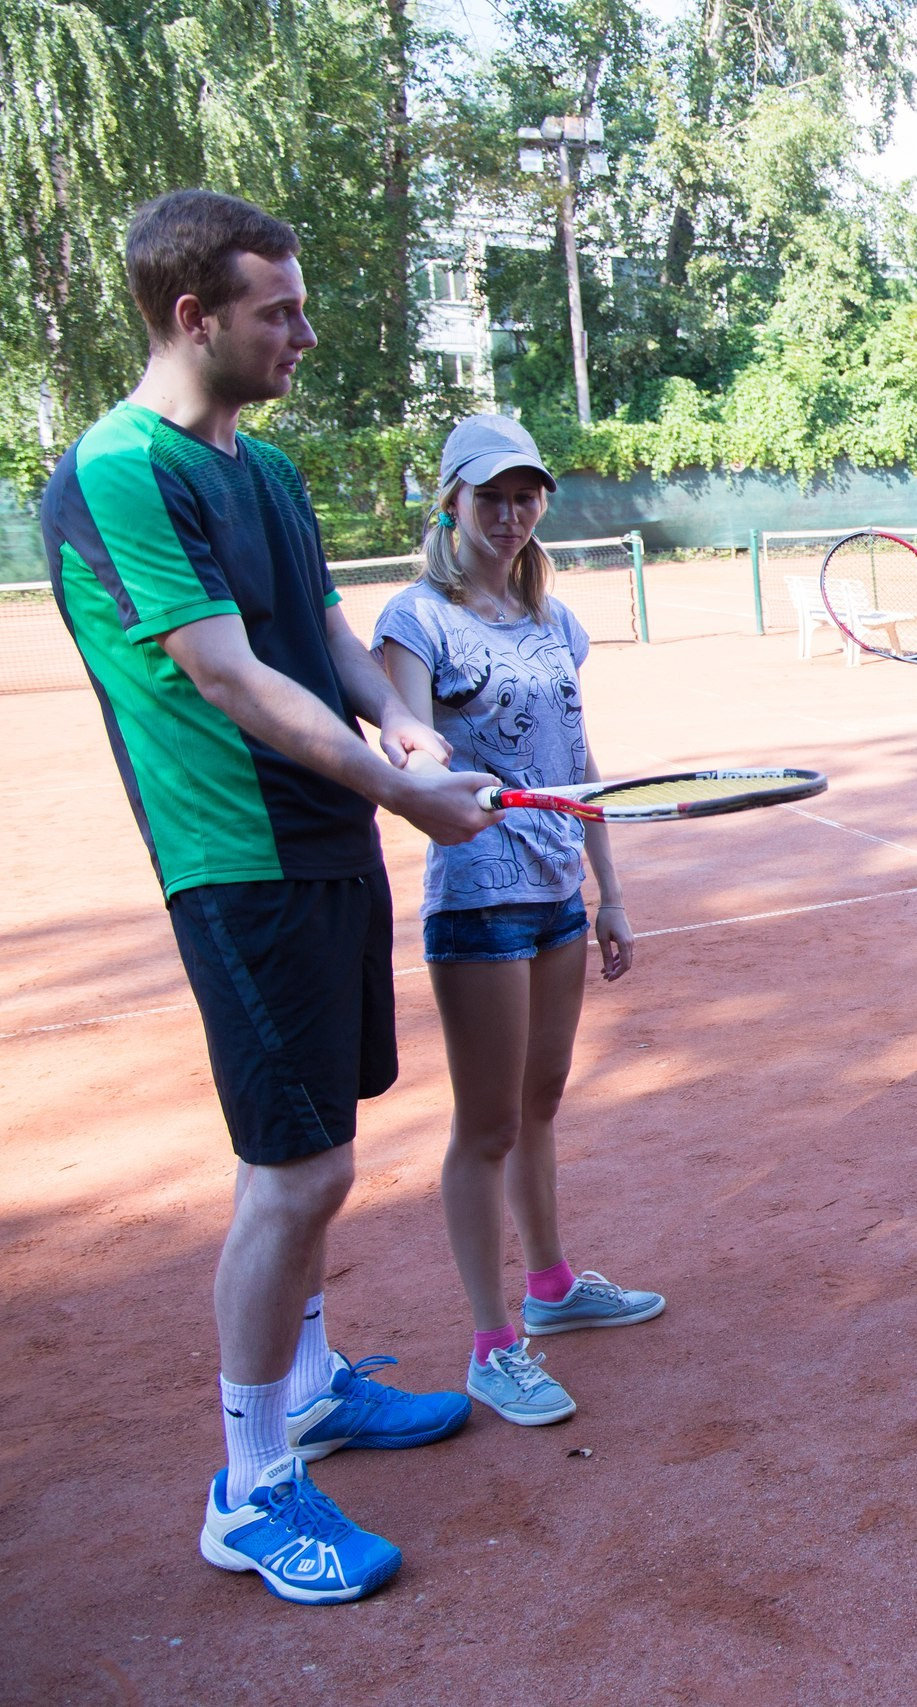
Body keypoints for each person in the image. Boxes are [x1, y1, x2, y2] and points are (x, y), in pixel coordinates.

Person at [38, 190, 501, 1604]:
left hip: (327, 841)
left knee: (326, 1131)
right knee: (295, 1167)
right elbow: (227, 672)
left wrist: (400, 722)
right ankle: (248, 1487)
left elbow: (328, 641)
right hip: (235, 857)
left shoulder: (271, 470)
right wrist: (405, 792)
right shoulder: (119, 468)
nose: (305, 331)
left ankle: (305, 1384)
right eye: (279, 311)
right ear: (197, 317)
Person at [374, 414, 663, 1430]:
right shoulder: (416, 619)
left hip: (555, 893)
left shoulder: (557, 622)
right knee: (487, 1124)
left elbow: (581, 763)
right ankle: (494, 1346)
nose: (510, 514)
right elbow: (406, 744)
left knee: (540, 1104)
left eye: (525, 494)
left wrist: (610, 891)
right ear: (450, 500)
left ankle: (551, 1285)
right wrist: (446, 781)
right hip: (478, 894)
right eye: (490, 495)